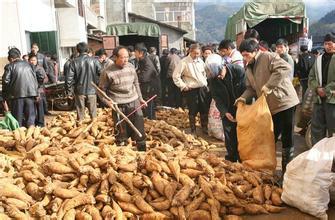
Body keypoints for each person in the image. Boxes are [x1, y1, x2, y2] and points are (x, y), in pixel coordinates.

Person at [236, 39, 299, 176]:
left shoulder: (268, 57)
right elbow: (251, 88)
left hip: (284, 102)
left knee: (287, 137)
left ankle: (287, 172)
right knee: (271, 136)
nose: (245, 58)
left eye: (247, 54)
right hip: (270, 107)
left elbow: (285, 68)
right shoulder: (248, 68)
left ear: (255, 51)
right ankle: (268, 167)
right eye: (243, 55)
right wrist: (243, 97)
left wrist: (269, 85)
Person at [99, 46, 147, 151]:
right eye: (122, 57)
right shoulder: (107, 72)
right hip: (118, 105)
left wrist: (140, 98)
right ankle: (123, 155)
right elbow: (101, 90)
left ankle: (143, 153)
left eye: (127, 57)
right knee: (121, 133)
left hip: (134, 102)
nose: (126, 60)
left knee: (139, 129)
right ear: (115, 57)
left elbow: (136, 83)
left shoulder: (131, 66)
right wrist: (107, 102)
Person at [206, 54, 246, 162]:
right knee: (229, 135)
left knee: (243, 134)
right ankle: (231, 159)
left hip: (243, 106)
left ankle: (244, 159)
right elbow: (216, 97)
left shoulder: (238, 71)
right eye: (216, 77)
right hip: (227, 108)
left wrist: (243, 106)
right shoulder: (212, 78)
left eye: (220, 74)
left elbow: (247, 89)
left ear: (223, 66)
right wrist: (225, 112)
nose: (219, 77)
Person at [173, 43, 210, 135]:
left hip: (202, 88)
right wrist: (183, 86)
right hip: (191, 89)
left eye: (198, 54)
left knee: (204, 108)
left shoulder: (201, 61)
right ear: (190, 52)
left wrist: (205, 83)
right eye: (195, 53)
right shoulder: (184, 62)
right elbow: (176, 76)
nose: (196, 55)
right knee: (193, 109)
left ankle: (204, 127)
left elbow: (204, 73)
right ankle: (193, 129)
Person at [308, 33, 335, 146]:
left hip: (332, 100)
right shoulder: (319, 59)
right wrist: (317, 88)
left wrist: (326, 90)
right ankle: (318, 159)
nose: (328, 46)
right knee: (317, 129)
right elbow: (311, 77)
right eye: (325, 44)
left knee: (333, 130)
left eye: (330, 43)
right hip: (319, 99)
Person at [2, 48, 39, 127]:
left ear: (11, 58)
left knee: (18, 119)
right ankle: (31, 137)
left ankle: (19, 137)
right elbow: (35, 80)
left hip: (16, 96)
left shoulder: (10, 66)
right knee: (30, 119)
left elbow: (5, 81)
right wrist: (36, 94)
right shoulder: (30, 65)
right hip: (30, 95)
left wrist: (5, 96)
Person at [66, 42, 102, 122]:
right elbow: (102, 74)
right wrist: (99, 85)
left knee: (80, 115)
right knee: (93, 115)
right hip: (92, 90)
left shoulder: (74, 62)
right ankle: (93, 130)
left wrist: (69, 92)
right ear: (87, 49)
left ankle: (81, 129)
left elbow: (69, 79)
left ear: (77, 50)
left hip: (79, 91)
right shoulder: (94, 61)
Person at [135, 45, 158, 119]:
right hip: (145, 86)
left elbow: (145, 77)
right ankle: (147, 117)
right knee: (145, 103)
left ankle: (151, 119)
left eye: (135, 52)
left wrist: (136, 78)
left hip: (149, 86)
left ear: (141, 53)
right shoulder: (141, 60)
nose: (134, 53)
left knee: (149, 103)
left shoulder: (146, 62)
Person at [29, 54, 46, 127]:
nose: (33, 62)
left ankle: (41, 123)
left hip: (39, 91)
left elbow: (41, 80)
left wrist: (37, 88)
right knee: (33, 108)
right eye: (31, 60)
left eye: (34, 60)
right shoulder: (28, 68)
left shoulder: (39, 68)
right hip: (31, 91)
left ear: (36, 61)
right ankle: (35, 122)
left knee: (39, 107)